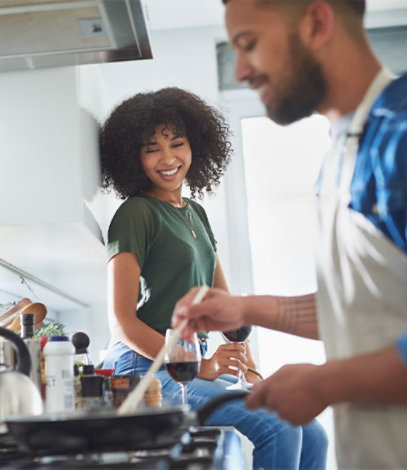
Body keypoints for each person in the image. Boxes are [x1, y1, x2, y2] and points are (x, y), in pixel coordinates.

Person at [173, 1, 407, 468]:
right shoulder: (342, 154)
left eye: (249, 44)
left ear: (317, 22)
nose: (240, 71)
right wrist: (244, 307)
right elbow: (370, 308)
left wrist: (322, 383)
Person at [100, 87, 328, 470]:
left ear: (196, 146)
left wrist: (253, 372)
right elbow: (121, 323)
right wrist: (198, 365)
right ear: (132, 157)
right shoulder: (135, 213)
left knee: (312, 430)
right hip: (147, 370)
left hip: (185, 366)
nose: (168, 158)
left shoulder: (196, 213)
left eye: (177, 143)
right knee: (278, 427)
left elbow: (228, 310)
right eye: (151, 148)